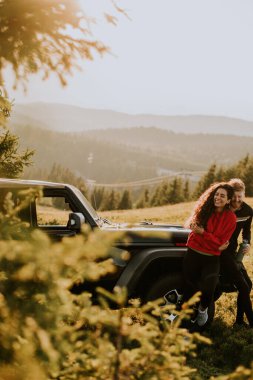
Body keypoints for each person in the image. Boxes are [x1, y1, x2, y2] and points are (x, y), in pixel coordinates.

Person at [183, 182, 236, 327]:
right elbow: (215, 242)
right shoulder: (204, 210)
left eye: (222, 196)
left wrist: (204, 234)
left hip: (211, 258)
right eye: (216, 194)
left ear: (229, 200)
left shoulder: (231, 218)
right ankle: (189, 323)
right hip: (193, 253)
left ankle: (202, 309)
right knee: (189, 289)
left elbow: (221, 244)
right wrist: (213, 240)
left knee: (209, 288)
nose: (218, 197)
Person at [220, 178, 253, 327]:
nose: (237, 199)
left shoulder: (248, 211)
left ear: (244, 195)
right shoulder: (222, 209)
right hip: (220, 252)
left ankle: (239, 321)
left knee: (248, 284)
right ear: (230, 195)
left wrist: (247, 243)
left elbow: (247, 230)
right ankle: (250, 323)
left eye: (240, 196)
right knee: (244, 286)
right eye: (234, 196)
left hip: (233, 252)